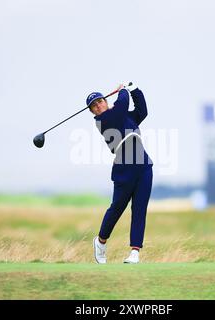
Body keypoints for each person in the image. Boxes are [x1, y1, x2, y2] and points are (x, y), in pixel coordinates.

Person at [87, 82, 153, 264]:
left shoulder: (124, 117)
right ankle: (100, 242)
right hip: (124, 169)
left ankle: (135, 251)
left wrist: (135, 90)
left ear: (105, 101)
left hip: (143, 166)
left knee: (139, 209)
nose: (99, 105)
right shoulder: (103, 121)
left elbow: (142, 111)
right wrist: (123, 90)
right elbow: (122, 104)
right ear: (93, 112)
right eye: (95, 106)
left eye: (100, 101)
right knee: (117, 208)